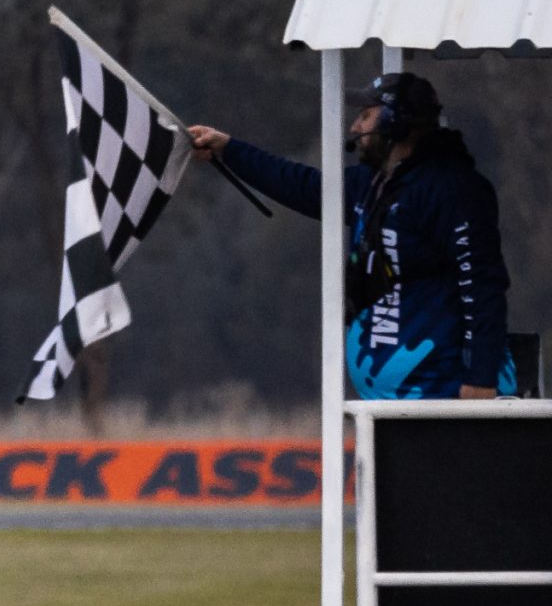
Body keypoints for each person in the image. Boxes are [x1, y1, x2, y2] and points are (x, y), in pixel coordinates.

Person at [188, 72, 515, 400]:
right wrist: (229, 149)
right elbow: (302, 185)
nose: (355, 127)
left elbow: (482, 283)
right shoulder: (373, 183)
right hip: (397, 404)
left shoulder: (452, 189)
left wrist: (481, 377)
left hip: (447, 398)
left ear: (396, 122)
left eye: (366, 115)